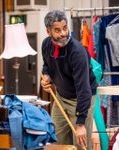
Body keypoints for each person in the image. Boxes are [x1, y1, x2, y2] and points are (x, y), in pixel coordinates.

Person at [41, 10, 98, 150]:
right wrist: (46, 77)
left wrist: (80, 124)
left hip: (81, 100)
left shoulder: (77, 52)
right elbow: (47, 66)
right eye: (57, 30)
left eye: (65, 28)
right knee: (57, 143)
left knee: (81, 145)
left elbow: (84, 89)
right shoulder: (46, 45)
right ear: (48, 31)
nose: (63, 33)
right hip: (61, 97)